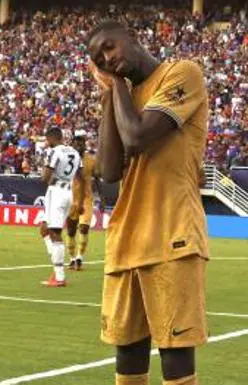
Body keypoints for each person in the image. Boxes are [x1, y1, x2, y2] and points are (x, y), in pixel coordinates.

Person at [88, 20, 208, 385]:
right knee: (127, 350)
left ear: (132, 37)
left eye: (109, 46)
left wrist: (118, 88)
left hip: (172, 232)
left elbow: (138, 138)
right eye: (98, 58)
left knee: (174, 352)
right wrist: (111, 95)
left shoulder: (182, 73)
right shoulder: (120, 95)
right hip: (126, 237)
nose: (107, 58)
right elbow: (109, 171)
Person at [40, 127, 82, 287]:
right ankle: (55, 261)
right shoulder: (75, 152)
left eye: (47, 140)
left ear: (51, 138)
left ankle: (59, 277)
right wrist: (80, 199)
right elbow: (81, 176)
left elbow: (46, 176)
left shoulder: (54, 152)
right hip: (68, 192)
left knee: (55, 233)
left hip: (56, 192)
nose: (46, 143)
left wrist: (46, 178)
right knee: (44, 228)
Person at [65, 134, 96, 270]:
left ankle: (79, 258)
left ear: (85, 144)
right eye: (76, 143)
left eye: (81, 142)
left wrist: (102, 196)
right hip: (71, 199)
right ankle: (72, 258)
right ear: (72, 144)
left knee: (83, 228)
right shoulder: (66, 160)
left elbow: (97, 177)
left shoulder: (91, 160)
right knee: (71, 231)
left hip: (87, 199)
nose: (79, 145)